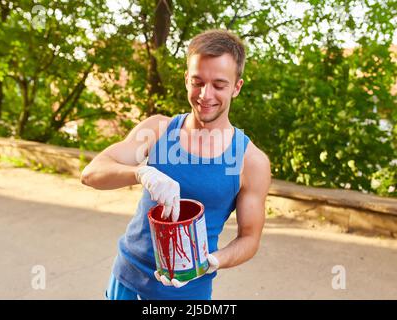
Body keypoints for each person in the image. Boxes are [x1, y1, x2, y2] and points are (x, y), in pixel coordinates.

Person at [81, 29, 271, 300]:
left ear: (236, 87)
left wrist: (212, 262)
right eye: (197, 82)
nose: (205, 95)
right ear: (186, 80)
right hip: (126, 279)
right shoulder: (157, 129)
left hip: (188, 294)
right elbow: (91, 173)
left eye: (218, 85)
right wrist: (141, 172)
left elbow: (250, 238)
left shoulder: (251, 161)